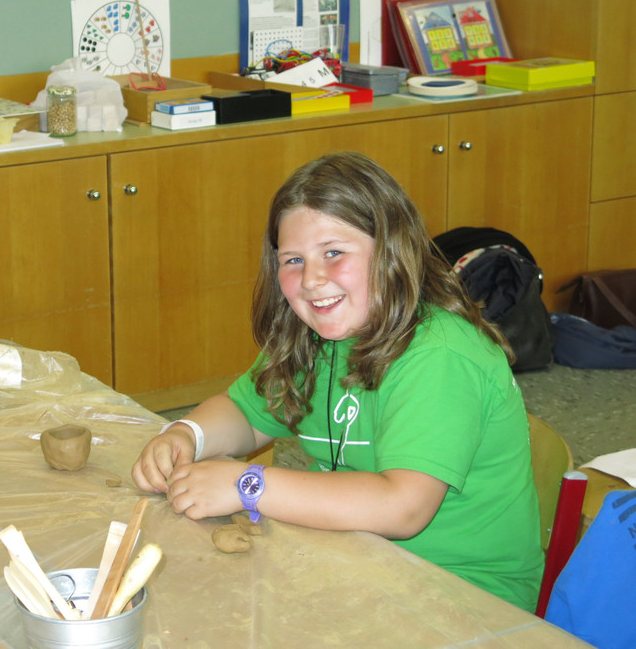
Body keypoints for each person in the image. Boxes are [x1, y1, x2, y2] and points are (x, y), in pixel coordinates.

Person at [132, 151, 543, 611]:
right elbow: (246, 416)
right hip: (355, 559)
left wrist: (248, 484)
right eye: (293, 260)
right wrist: (187, 434)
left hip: (461, 597)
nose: (312, 279)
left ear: (392, 251)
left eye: (333, 253)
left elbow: (402, 507)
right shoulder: (315, 335)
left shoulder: (440, 355)